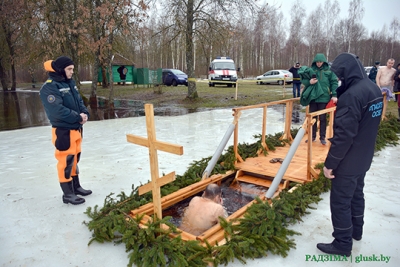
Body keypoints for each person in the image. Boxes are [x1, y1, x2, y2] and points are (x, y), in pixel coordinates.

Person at [318, 53, 383, 257]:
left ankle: (342, 242)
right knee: (357, 195)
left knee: (340, 201)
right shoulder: (372, 88)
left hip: (348, 161)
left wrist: (330, 164)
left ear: (347, 72)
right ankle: (357, 231)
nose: (338, 80)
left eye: (339, 75)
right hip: (364, 157)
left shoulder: (352, 96)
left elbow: (344, 136)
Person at [40, 56, 92, 205]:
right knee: (65, 161)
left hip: (76, 129)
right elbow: (57, 111)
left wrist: (85, 114)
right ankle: (68, 194)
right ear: (61, 70)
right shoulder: (50, 87)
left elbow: (80, 102)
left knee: (75, 159)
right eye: (69, 69)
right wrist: (77, 117)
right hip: (63, 130)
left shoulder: (70, 83)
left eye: (73, 69)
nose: (71, 72)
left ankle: (76, 187)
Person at [300, 53, 338, 145]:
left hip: (324, 98)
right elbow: (303, 80)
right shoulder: (311, 70)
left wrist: (334, 94)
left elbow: (334, 82)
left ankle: (322, 137)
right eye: (317, 62)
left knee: (323, 118)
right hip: (313, 98)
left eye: (320, 62)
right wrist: (309, 82)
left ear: (324, 62)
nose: (319, 63)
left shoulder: (329, 71)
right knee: (312, 118)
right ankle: (312, 137)